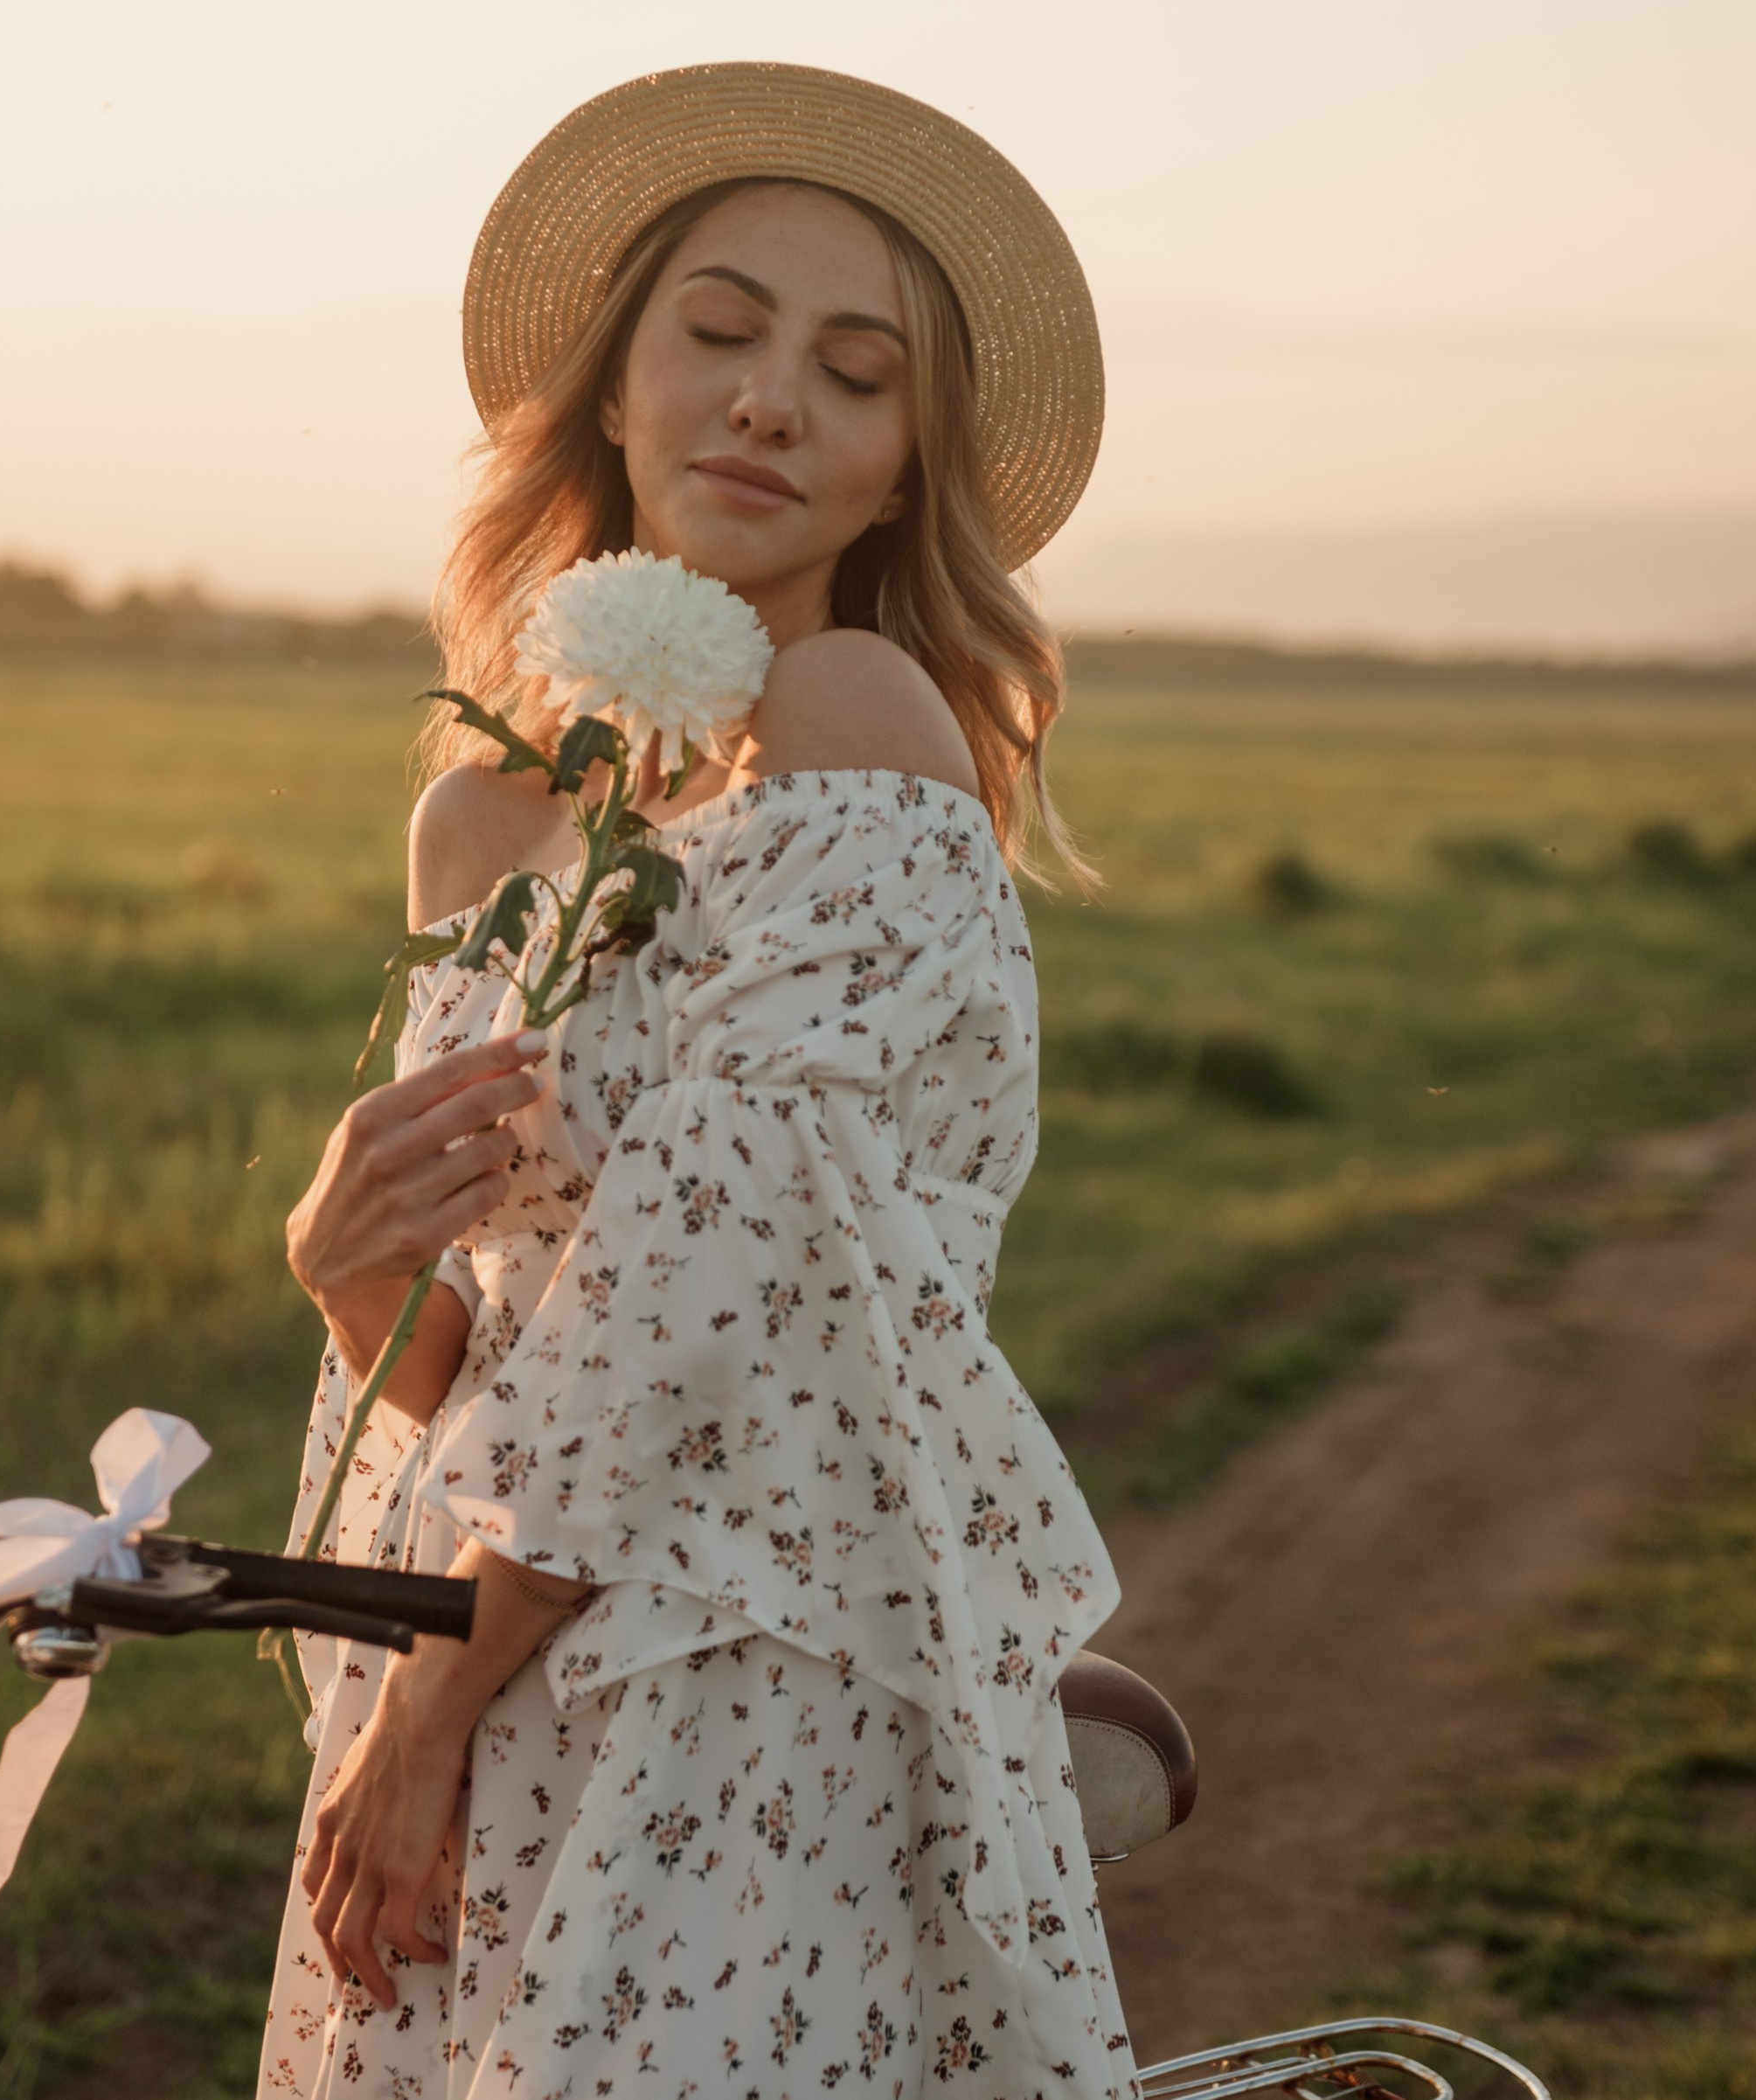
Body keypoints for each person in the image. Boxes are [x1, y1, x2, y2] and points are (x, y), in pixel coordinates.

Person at [263, 63, 1128, 2100]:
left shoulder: (853, 711)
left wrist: (429, 1711)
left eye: (852, 374)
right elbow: (483, 1365)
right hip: (478, 1638)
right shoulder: (485, 822)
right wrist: (344, 1272)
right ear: (612, 390)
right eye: (718, 333)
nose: (768, 402)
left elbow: (720, 1284)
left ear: (901, 475)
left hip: (732, 1676)